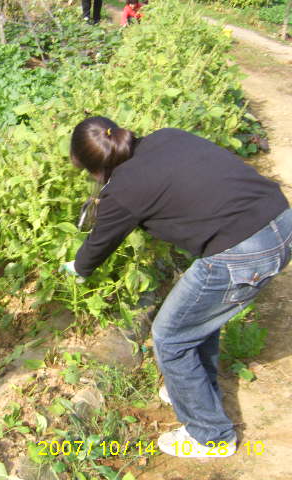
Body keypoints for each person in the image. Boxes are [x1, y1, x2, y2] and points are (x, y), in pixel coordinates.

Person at [61, 116, 291, 457]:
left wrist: (77, 269)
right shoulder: (167, 137)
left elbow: (98, 244)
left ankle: (210, 435)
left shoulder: (122, 191)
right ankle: (193, 388)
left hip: (242, 253)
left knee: (170, 336)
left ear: (93, 167)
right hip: (281, 221)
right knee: (197, 319)